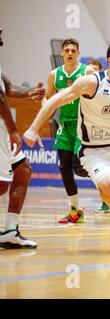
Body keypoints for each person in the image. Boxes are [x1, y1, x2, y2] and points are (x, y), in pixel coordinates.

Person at [24, 42, 110, 252]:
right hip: (95, 149)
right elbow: (54, 101)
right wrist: (34, 128)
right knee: (109, 184)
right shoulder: (91, 83)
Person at [43, 39, 101, 223]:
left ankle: (106, 180)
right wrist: (44, 112)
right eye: (66, 50)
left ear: (78, 53)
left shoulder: (87, 71)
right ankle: (75, 210)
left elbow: (99, 95)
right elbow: (47, 98)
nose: (69, 53)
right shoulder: (54, 75)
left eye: (73, 50)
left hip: (83, 125)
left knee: (80, 166)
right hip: (65, 125)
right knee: (64, 167)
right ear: (62, 53)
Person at [0, 26, 45, 248]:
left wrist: (29, 93)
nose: (1, 29)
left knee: (23, 169)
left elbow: (7, 88)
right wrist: (13, 130)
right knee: (1, 184)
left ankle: (9, 230)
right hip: (2, 129)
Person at [86, 58, 110, 214]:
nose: (92, 73)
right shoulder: (83, 87)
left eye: (95, 70)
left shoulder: (104, 87)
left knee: (103, 170)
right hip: (85, 133)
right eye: (90, 70)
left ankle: (107, 202)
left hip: (102, 134)